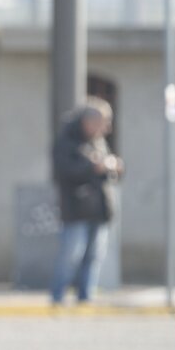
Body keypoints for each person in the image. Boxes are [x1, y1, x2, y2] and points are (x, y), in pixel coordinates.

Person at [50, 98, 122, 305]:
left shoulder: (98, 141)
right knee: (71, 256)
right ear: (88, 121)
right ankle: (58, 296)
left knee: (94, 256)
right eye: (102, 123)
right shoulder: (67, 141)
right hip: (76, 209)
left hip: (99, 209)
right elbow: (63, 172)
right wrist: (92, 167)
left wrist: (114, 167)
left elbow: (106, 174)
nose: (106, 129)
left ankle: (85, 297)